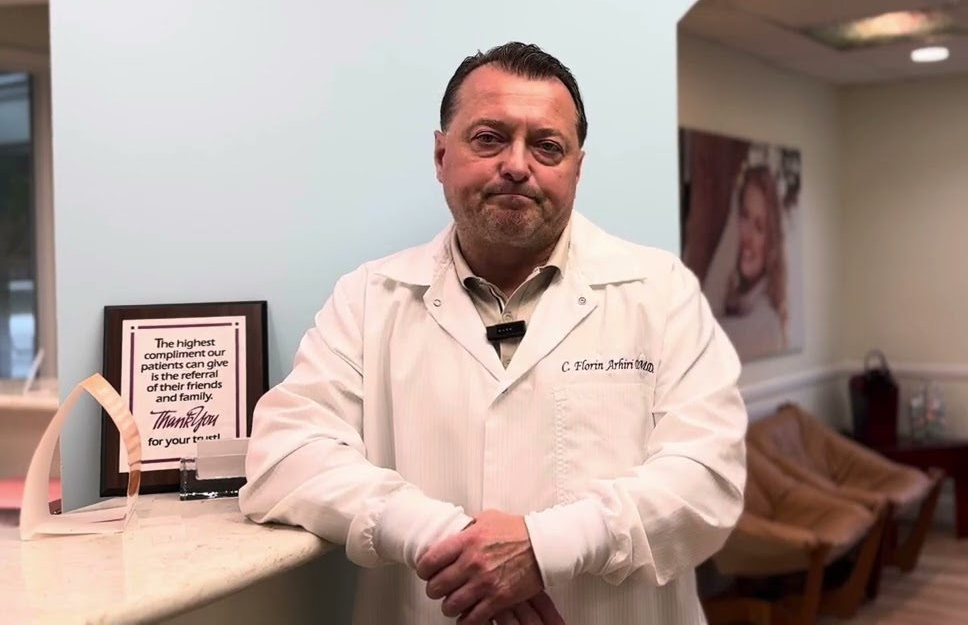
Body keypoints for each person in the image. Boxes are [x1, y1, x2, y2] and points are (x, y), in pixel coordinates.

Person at [239, 42, 748, 625]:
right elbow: (286, 454)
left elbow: (708, 477)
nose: (517, 165)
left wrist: (548, 546)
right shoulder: (369, 298)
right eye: (488, 138)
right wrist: (430, 532)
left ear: (577, 168)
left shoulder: (660, 291)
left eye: (547, 146)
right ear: (441, 154)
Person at [718, 164, 788, 360]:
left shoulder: (766, 324)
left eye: (759, 227)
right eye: (744, 216)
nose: (747, 235)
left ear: (771, 243)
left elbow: (699, 337)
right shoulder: (737, 301)